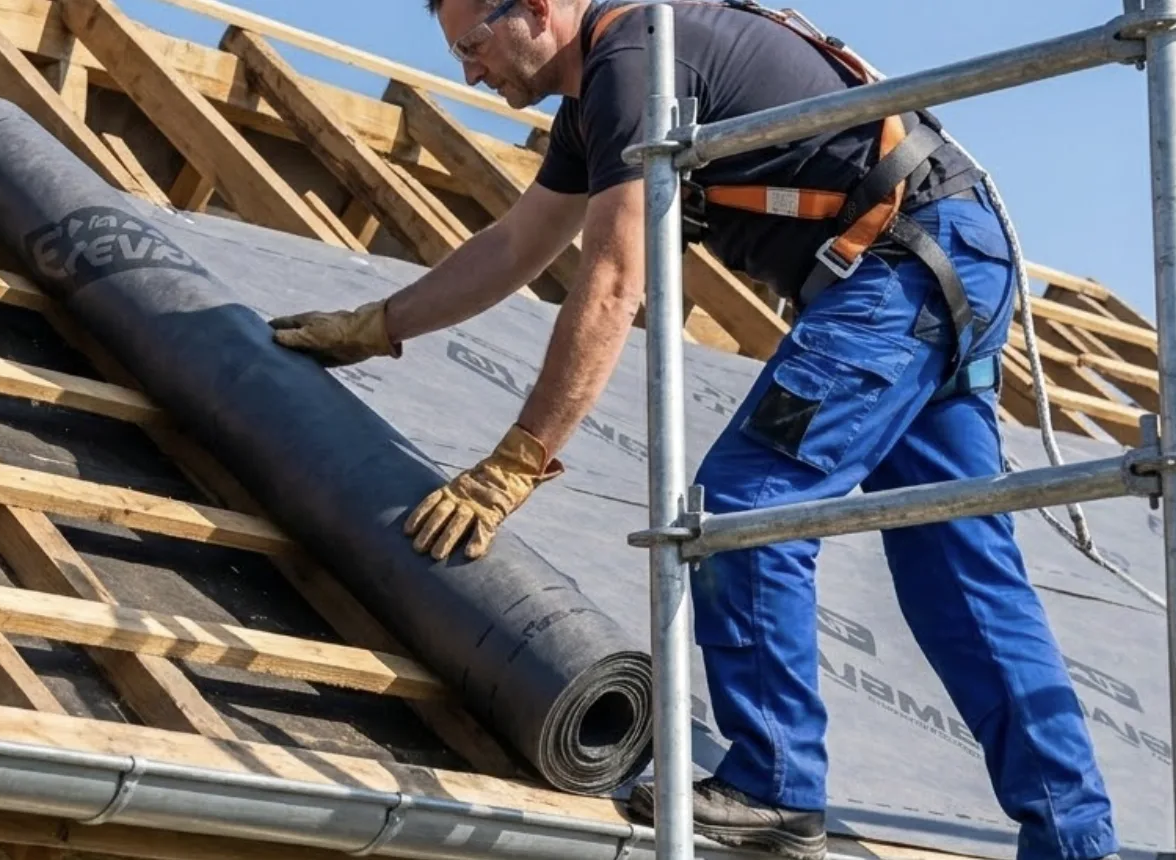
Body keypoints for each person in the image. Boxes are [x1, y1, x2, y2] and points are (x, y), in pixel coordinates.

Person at [263, 1, 1122, 859]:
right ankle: (1072, 839)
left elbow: (611, 282)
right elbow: (519, 244)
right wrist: (380, 324)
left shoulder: (632, 61)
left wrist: (517, 462)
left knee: (744, 505)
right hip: (938, 256)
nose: (469, 72)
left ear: (536, 8)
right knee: (960, 569)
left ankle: (773, 786)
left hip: (904, 264)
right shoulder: (608, 86)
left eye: (474, 45)